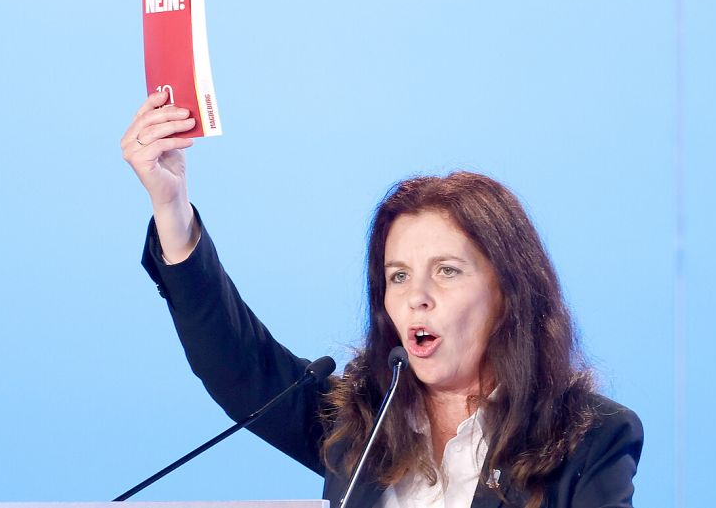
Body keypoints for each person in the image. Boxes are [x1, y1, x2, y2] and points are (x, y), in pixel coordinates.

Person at [121, 92, 643, 508]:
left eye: (446, 271)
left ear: (507, 294)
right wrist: (171, 206)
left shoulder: (589, 439)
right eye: (398, 276)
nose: (416, 296)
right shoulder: (360, 426)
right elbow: (237, 365)